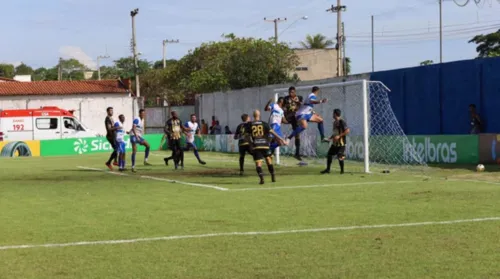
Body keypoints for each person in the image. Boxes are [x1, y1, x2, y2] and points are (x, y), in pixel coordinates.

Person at [245, 110, 289, 184]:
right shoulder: (264, 123)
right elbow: (273, 132)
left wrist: (251, 144)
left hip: (256, 146)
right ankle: (273, 175)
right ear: (259, 115)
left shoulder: (250, 124)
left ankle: (261, 178)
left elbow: (246, 136)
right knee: (269, 161)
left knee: (258, 164)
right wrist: (282, 139)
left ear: (253, 115)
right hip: (265, 145)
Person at [321, 109, 350, 174]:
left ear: (335, 114)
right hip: (334, 144)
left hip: (341, 144)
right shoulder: (334, 122)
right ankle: (328, 170)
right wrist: (329, 139)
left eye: (333, 113)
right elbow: (335, 133)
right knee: (329, 155)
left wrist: (339, 136)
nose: (332, 115)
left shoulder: (342, 122)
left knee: (340, 156)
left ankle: (342, 171)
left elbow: (347, 130)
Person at [283, 86, 304, 161]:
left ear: (295, 92)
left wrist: (297, 102)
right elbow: (283, 107)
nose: (290, 93)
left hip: (296, 116)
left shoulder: (299, 97)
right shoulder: (286, 98)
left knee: (297, 134)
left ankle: (297, 153)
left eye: (292, 92)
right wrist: (284, 110)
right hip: (289, 116)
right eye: (289, 92)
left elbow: (301, 105)